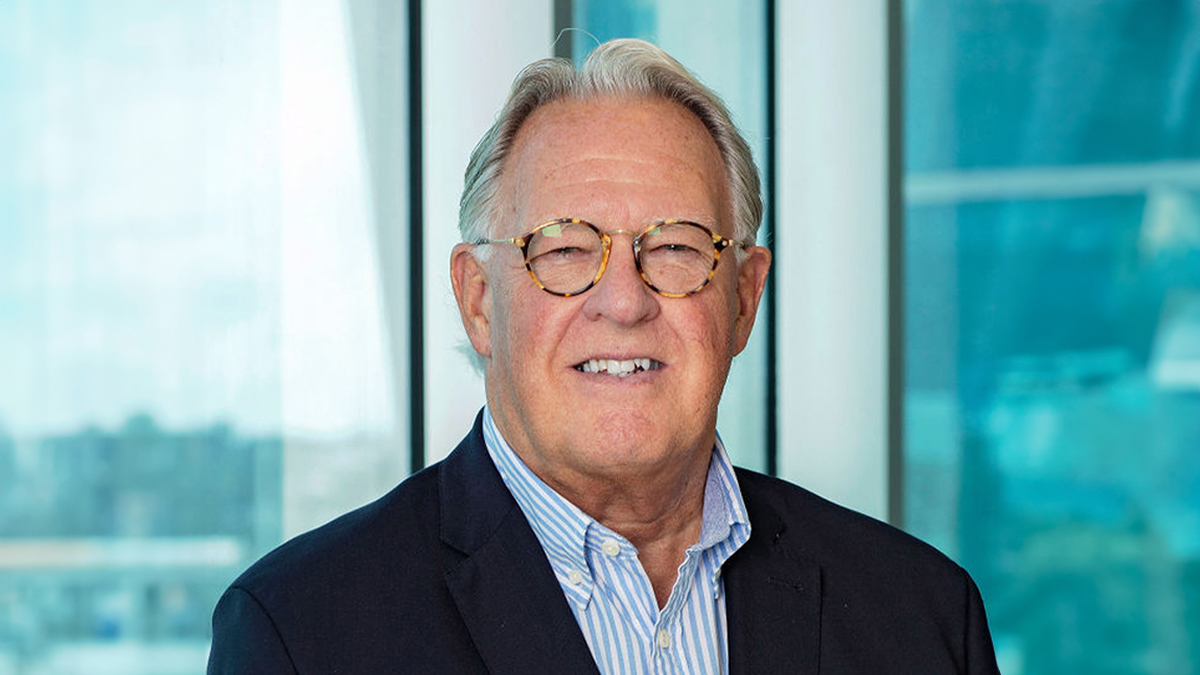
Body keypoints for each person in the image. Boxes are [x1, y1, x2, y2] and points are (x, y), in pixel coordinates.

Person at [207, 38, 1000, 674]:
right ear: (479, 300)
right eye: (564, 249)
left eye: (678, 247)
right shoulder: (302, 632)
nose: (623, 300)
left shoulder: (923, 615)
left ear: (744, 298)